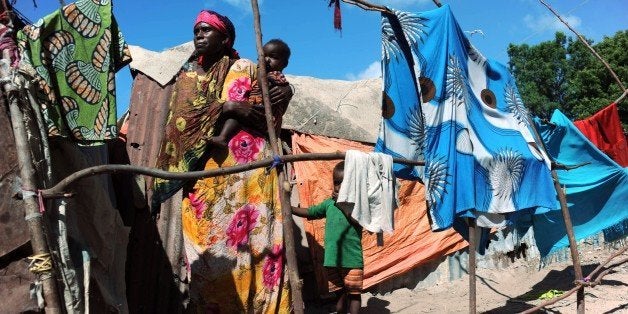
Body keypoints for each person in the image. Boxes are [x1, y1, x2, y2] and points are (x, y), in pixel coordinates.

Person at [153, 10, 293, 313]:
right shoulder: (187, 75)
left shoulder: (243, 67)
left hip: (245, 168)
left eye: (207, 30)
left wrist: (235, 109)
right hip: (206, 171)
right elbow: (182, 122)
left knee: (252, 244)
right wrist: (228, 107)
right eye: (196, 31)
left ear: (225, 38)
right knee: (209, 248)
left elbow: (263, 114)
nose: (199, 36)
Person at [291, 161, 364, 314]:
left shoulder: (357, 204)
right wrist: (290, 208)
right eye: (336, 183)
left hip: (351, 260)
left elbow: (357, 221)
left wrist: (342, 203)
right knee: (339, 296)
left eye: (344, 183)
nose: (339, 187)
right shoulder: (329, 204)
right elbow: (311, 212)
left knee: (354, 295)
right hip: (332, 260)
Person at [209, 38, 292, 147]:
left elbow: (265, 89)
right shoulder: (260, 74)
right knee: (237, 116)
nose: (267, 60)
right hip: (256, 112)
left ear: (284, 64)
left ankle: (223, 137)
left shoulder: (276, 75)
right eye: (264, 56)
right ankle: (223, 138)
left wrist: (260, 71)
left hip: (266, 117)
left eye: (273, 57)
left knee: (236, 111)